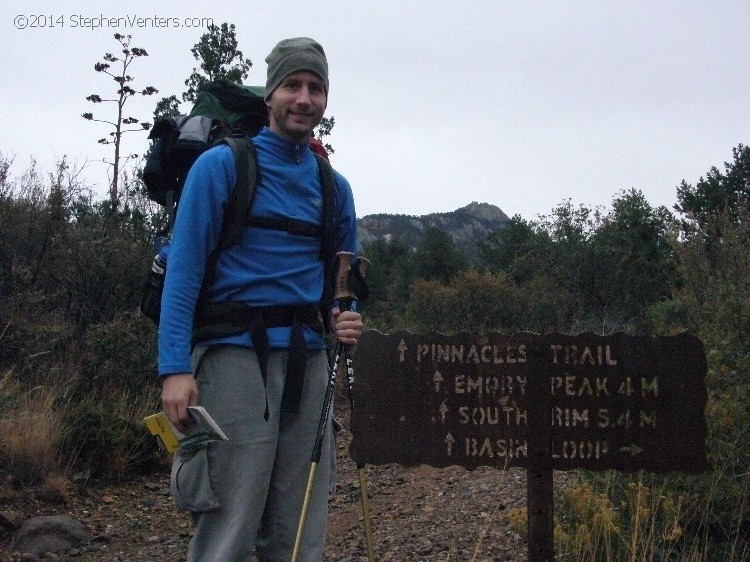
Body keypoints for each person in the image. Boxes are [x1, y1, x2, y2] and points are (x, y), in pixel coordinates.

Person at [158, 37, 362, 561]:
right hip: (230, 359)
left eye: (315, 88)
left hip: (307, 361)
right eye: (292, 85)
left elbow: (344, 283)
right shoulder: (221, 168)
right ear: (270, 94)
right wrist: (174, 370)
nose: (304, 97)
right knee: (230, 517)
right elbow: (183, 275)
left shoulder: (335, 189)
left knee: (299, 527)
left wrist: (346, 318)